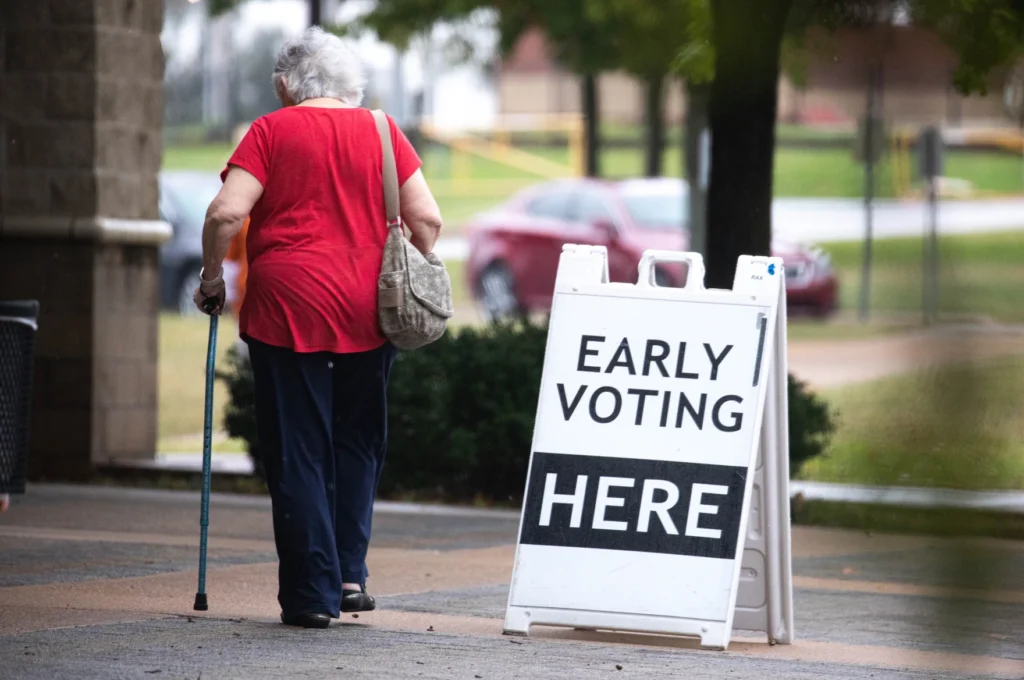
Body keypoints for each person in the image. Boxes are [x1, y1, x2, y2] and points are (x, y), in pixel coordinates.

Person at [193, 26, 443, 629]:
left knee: (298, 448)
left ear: (286, 83)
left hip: (287, 307)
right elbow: (427, 222)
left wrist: (210, 278)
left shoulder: (270, 130)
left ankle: (311, 594)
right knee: (359, 441)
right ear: (349, 83)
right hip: (369, 307)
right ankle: (351, 574)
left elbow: (228, 211)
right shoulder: (384, 131)